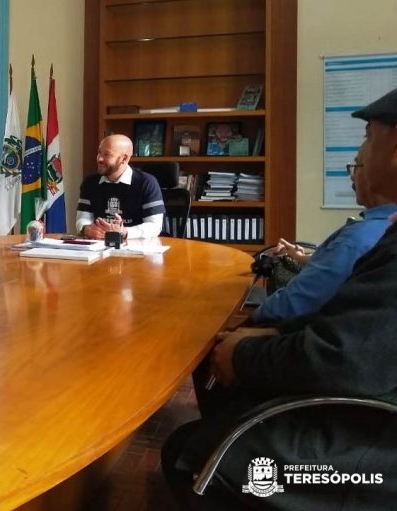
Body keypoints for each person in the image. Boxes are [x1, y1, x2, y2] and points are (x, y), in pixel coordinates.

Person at [162, 87, 397, 510]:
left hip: (368, 443)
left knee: (189, 453)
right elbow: (358, 327)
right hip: (364, 414)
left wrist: (245, 354)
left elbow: (343, 359)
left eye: (367, 137)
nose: (360, 153)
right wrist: (274, 335)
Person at [252, 144, 397, 324]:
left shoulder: (356, 239)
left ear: (377, 173)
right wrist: (302, 257)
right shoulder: (383, 229)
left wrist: (254, 315)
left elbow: (290, 306)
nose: (352, 176)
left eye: (356, 166)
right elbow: (344, 267)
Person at [76, 134, 164, 240]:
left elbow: (155, 226)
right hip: (99, 244)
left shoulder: (146, 182)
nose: (100, 158)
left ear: (124, 158)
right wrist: (86, 229)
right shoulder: (90, 182)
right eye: (99, 152)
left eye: (107, 154)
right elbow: (82, 218)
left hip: (136, 245)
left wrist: (124, 232)